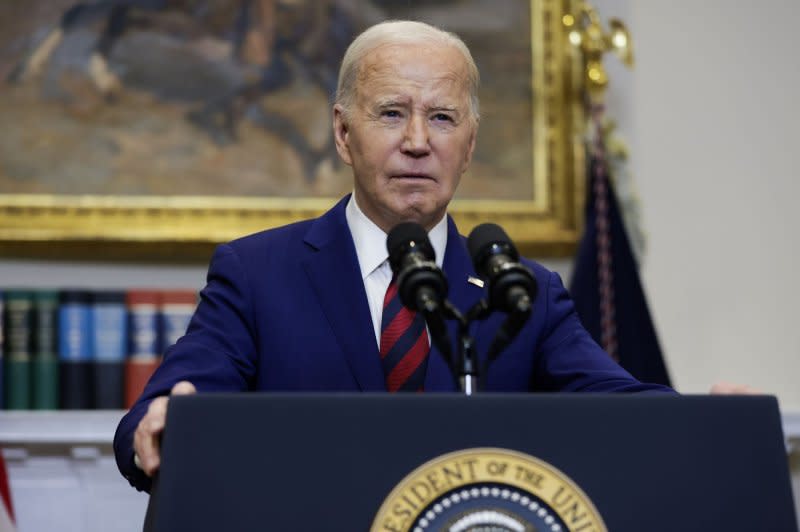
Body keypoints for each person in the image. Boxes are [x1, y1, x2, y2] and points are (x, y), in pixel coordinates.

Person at [114, 19, 684, 493]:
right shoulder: (258, 274)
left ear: (470, 144)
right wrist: (163, 421)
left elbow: (622, 411)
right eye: (391, 113)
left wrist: (706, 422)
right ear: (343, 133)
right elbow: (169, 402)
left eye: (442, 117)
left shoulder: (522, 292)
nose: (417, 141)